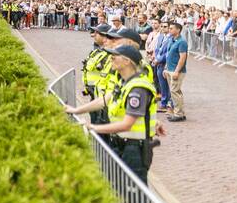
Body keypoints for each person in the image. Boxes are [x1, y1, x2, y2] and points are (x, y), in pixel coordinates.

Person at [66, 29, 161, 183]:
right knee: (120, 187)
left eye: (114, 57)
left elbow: (127, 123)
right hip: (121, 143)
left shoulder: (137, 86)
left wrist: (94, 128)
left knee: (134, 195)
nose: (110, 59)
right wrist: (77, 110)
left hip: (134, 148)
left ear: (126, 61)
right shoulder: (125, 82)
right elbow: (104, 99)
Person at [164, 21, 188, 122]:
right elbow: (168, 54)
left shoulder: (182, 42)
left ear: (178, 30)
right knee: (176, 92)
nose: (169, 30)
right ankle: (180, 113)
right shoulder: (171, 40)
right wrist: (166, 68)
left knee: (174, 91)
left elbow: (182, 57)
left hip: (176, 71)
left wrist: (177, 71)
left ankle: (178, 114)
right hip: (170, 69)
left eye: (171, 28)